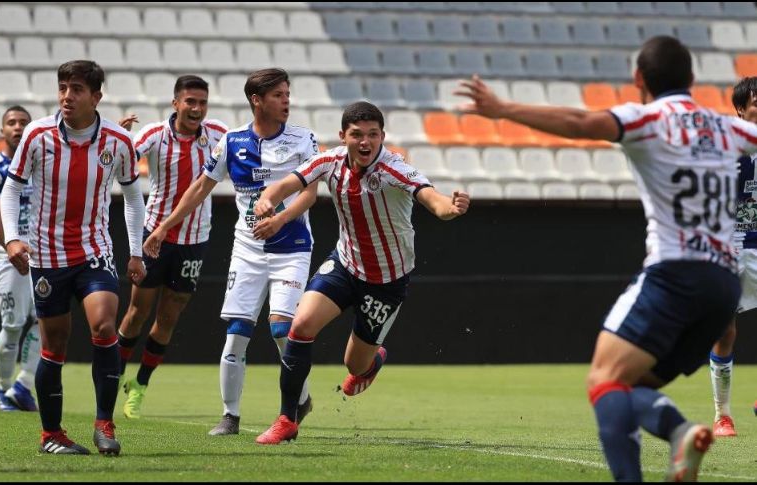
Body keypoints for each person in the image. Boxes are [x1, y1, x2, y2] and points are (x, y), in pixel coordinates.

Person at [455, 35, 757, 481]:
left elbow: (580, 121)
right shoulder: (727, 127)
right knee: (629, 386)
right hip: (723, 284)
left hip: (675, 273)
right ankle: (677, 432)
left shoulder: (648, 118)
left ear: (638, 79)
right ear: (692, 80)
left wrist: (503, 110)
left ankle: (666, 442)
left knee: (602, 381)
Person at [252, 101, 470, 445]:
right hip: (345, 264)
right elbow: (285, 185)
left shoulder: (394, 168)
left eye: (373, 134)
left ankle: (371, 363)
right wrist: (267, 199)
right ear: (344, 137)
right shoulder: (329, 161)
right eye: (357, 135)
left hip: (386, 281)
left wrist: (450, 208)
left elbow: (433, 200)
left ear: (383, 136)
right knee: (301, 325)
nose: (365, 142)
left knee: (354, 365)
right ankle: (287, 419)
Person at [142, 68, 318, 436]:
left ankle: (299, 399)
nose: (287, 101)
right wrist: (163, 227)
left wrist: (281, 219)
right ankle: (230, 416)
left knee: (283, 329)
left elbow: (309, 193)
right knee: (237, 332)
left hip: (292, 247)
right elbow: (198, 189)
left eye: (288, 94)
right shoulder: (232, 142)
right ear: (257, 100)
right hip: (248, 249)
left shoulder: (304, 139)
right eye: (278, 95)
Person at [1, 60, 146, 455]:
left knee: (103, 327)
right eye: (63, 87)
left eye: (77, 89)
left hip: (94, 251)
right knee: (55, 345)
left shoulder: (117, 141)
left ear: (96, 97)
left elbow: (133, 196)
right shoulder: (37, 134)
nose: (67, 96)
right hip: (47, 255)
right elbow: (11, 190)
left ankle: (104, 424)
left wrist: (136, 251)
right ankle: (52, 435)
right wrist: (12, 239)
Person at [114, 75, 227, 419]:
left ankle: (141, 384)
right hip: (154, 237)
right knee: (136, 313)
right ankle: (112, 376)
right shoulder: (153, 135)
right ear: (175, 103)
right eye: (190, 102)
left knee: (168, 317)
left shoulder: (219, 134)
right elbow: (118, 160)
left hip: (195, 240)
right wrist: (117, 138)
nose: (196, 109)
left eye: (202, 103)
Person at [707, 76, 757, 438]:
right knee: (725, 330)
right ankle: (723, 415)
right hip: (732, 245)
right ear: (741, 109)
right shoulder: (724, 147)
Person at [0, 105, 41, 412]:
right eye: (12, 122)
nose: (18, 127)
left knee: (48, 318)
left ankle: (23, 384)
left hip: (41, 254)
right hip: (9, 255)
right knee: (13, 325)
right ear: (3, 130)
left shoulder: (39, 165)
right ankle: (4, 389)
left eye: (23, 122)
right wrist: (11, 245)